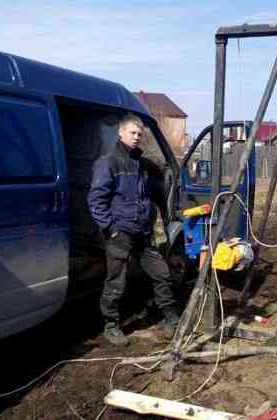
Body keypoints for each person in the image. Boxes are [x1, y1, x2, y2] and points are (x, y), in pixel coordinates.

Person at [88, 114, 180, 345]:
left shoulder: (142, 164)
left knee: (162, 273)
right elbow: (96, 200)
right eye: (132, 132)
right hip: (120, 233)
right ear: (120, 133)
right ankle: (111, 326)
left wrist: (161, 215)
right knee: (116, 282)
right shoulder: (108, 162)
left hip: (142, 233)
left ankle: (171, 319)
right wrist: (111, 229)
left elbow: (150, 194)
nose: (137, 137)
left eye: (139, 134)